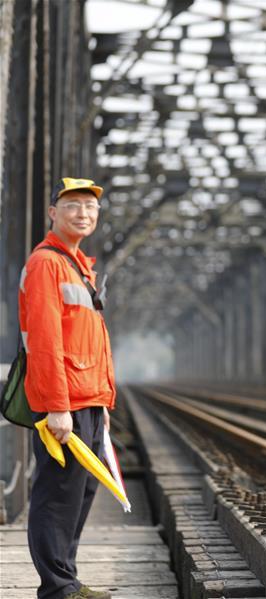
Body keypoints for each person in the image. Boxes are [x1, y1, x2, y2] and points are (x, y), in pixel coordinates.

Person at [19, 177, 116, 599]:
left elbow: (88, 340)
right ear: (53, 213)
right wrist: (57, 406)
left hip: (88, 400)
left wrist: (104, 401)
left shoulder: (78, 265)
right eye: (73, 205)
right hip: (66, 403)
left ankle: (67, 581)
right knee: (58, 495)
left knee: (80, 493)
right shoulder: (47, 264)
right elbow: (45, 340)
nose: (83, 213)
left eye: (90, 207)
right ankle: (57, 588)